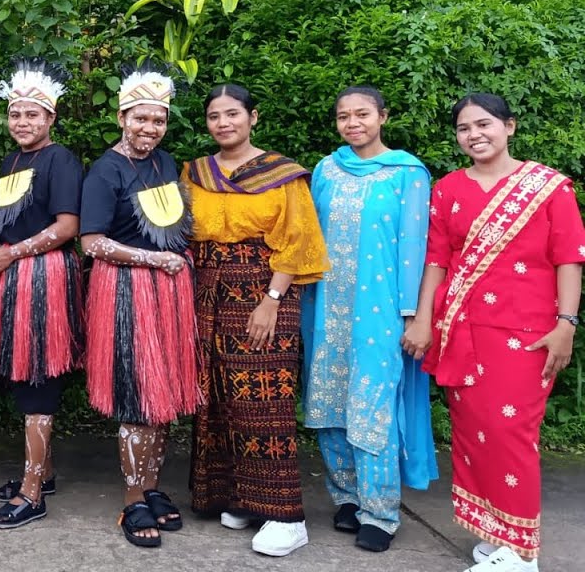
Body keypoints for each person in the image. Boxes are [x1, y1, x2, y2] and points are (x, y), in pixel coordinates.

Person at [402, 93, 584, 572]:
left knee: (510, 432)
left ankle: (522, 554)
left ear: (510, 127)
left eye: (484, 124)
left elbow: (569, 258)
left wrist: (567, 324)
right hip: (462, 328)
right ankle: (496, 534)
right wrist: (424, 318)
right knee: (475, 433)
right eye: (464, 128)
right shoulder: (448, 189)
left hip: (527, 332)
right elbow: (438, 259)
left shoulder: (547, 188)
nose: (474, 135)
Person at [185, 83, 328, 557]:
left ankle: (286, 515)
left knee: (264, 402)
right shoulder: (195, 173)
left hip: (263, 292)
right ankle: (241, 497)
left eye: (232, 114)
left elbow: (299, 239)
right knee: (219, 399)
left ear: (253, 118)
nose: (223, 123)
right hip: (208, 292)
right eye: (214, 116)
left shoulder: (282, 175)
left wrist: (271, 298)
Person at [301, 85, 438, 552]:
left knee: (372, 404)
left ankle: (379, 511)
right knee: (328, 402)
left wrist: (413, 315)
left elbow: (415, 245)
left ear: (383, 116)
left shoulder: (407, 173)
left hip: (380, 310)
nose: (352, 123)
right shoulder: (326, 169)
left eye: (362, 114)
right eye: (344, 116)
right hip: (325, 306)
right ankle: (346, 496)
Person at [78, 63, 201, 548]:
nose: (149, 128)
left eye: (158, 120)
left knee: (164, 395)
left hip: (167, 291)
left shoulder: (164, 163)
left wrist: (170, 264)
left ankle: (151, 486)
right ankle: (132, 498)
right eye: (140, 119)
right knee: (137, 395)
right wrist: (153, 259)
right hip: (126, 289)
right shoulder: (105, 171)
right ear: (121, 117)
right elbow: (91, 242)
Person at [0, 58, 84, 530]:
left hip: (44, 281)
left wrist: (13, 253)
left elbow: (67, 227)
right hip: (10, 279)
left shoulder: (60, 159)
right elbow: (11, 220)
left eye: (33, 115)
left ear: (51, 118)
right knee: (21, 378)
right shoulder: (12, 161)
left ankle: (32, 494)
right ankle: (45, 472)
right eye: (16, 114)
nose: (23, 122)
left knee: (38, 377)